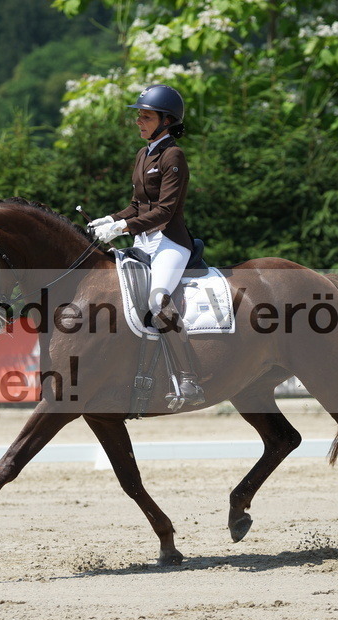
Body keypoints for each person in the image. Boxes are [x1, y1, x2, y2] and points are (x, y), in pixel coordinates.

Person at [88, 84, 204, 406]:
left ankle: (187, 378)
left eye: (146, 116)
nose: (138, 121)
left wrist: (122, 227)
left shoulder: (173, 155)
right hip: (143, 240)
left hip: (169, 241)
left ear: (166, 121)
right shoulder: (143, 154)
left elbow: (165, 211)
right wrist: (108, 219)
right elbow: (137, 205)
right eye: (138, 115)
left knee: (156, 300)